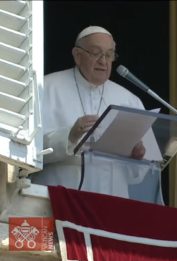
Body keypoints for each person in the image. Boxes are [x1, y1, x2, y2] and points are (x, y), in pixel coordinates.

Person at [31, 26, 149, 198]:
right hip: (57, 197)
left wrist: (137, 158)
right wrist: (69, 136)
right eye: (96, 53)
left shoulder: (130, 101)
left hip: (111, 201)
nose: (103, 61)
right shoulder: (46, 88)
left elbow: (140, 174)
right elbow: (28, 152)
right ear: (77, 56)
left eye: (109, 55)